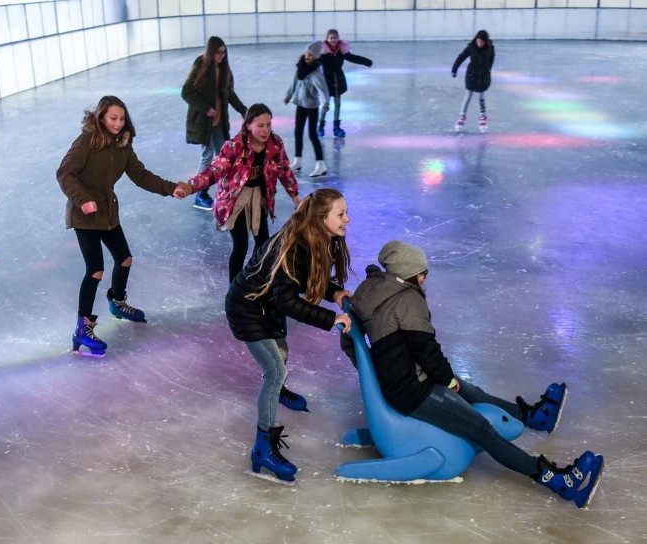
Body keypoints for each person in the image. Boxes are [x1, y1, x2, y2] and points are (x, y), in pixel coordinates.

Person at [341, 241, 604, 508]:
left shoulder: (375, 291)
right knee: (482, 429)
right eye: (423, 273)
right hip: (413, 391)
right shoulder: (408, 299)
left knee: (470, 391)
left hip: (405, 380)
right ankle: (557, 480)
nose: (424, 278)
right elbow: (426, 350)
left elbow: (354, 343)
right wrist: (446, 380)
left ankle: (531, 416)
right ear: (411, 273)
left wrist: (376, 373)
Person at [225, 188, 353, 483]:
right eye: (341, 214)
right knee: (275, 370)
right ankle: (263, 449)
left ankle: (278, 391)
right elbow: (287, 301)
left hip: (265, 305)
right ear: (322, 218)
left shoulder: (314, 237)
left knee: (280, 355)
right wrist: (331, 318)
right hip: (247, 308)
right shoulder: (296, 244)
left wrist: (333, 291)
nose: (347, 218)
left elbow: (305, 277)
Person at [56, 95, 190, 356]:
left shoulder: (123, 145)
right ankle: (82, 328)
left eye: (122, 118)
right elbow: (64, 172)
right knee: (95, 270)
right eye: (113, 118)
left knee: (125, 259)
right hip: (85, 215)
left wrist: (170, 188)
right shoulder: (87, 141)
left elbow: (140, 175)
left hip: (107, 213)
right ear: (101, 118)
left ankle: (117, 302)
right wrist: (83, 200)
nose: (118, 123)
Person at [188, 103, 300, 282]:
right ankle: (234, 288)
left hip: (260, 198)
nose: (266, 130)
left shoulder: (275, 144)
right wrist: (190, 186)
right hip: (235, 199)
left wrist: (295, 196)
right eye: (260, 125)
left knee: (263, 243)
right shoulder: (235, 146)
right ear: (248, 125)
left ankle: (254, 281)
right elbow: (214, 171)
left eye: (268, 125)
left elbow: (284, 170)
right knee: (240, 245)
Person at [181, 36, 248, 211]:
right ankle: (200, 194)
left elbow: (229, 93)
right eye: (218, 52)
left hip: (219, 122)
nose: (221, 56)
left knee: (224, 156)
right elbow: (186, 92)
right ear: (211, 52)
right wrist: (205, 108)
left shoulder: (224, 69)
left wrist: (243, 110)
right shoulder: (201, 65)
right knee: (208, 155)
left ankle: (226, 190)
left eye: (224, 52)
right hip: (204, 122)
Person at [284, 41, 330, 178]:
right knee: (298, 132)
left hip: (311, 106)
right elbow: (294, 82)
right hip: (300, 104)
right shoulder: (301, 67)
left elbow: (324, 90)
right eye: (306, 53)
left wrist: (326, 103)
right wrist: (288, 95)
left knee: (312, 134)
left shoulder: (316, 73)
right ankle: (297, 161)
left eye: (310, 54)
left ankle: (321, 164)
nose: (307, 56)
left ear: (316, 56)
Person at [318, 29, 373, 139]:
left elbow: (353, 58)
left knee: (338, 104)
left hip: (338, 79)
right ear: (327, 39)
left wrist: (367, 62)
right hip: (326, 81)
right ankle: (320, 127)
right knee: (326, 104)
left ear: (338, 38)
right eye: (331, 38)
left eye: (335, 38)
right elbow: (313, 63)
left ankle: (336, 127)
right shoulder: (322, 52)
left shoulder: (341, 50)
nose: (333, 40)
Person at [451, 30, 495, 133]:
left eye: (482, 42)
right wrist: (454, 69)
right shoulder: (472, 47)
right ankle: (462, 116)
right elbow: (461, 57)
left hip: (483, 76)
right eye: (478, 41)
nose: (479, 44)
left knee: (481, 96)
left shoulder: (490, 49)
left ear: (486, 42)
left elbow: (491, 60)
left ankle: (482, 116)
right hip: (471, 75)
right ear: (476, 40)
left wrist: (487, 71)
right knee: (468, 95)